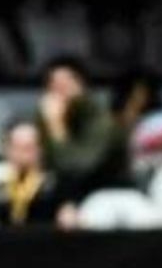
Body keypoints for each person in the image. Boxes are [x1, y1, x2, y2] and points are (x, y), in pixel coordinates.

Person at [36, 56, 129, 200]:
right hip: (65, 197)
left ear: (82, 86)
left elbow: (76, 169)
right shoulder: (47, 117)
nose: (60, 94)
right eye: (54, 87)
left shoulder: (102, 122)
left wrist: (56, 127)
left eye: (65, 85)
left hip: (107, 196)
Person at [0, 121, 77, 231]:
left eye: (30, 147)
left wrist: (69, 218)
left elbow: (70, 218)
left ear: (40, 149)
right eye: (19, 147)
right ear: (8, 150)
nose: (24, 154)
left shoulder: (57, 187)